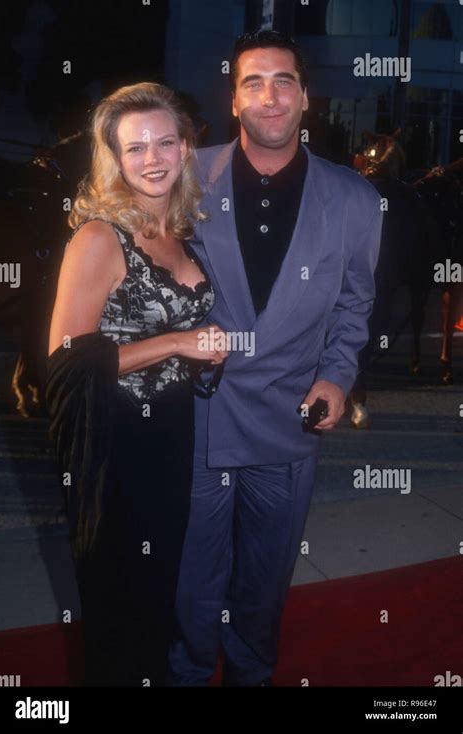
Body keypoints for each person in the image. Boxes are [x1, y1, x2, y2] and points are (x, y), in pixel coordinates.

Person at [168, 31, 383, 686]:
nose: (269, 95)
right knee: (189, 583)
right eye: (252, 82)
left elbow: (354, 306)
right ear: (233, 100)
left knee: (263, 583)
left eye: (283, 81)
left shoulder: (354, 199)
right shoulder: (182, 177)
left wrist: (337, 376)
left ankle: (252, 678)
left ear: (306, 99)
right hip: (198, 416)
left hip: (290, 422)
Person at [45, 82, 227, 686]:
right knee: (120, 603)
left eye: (165, 142)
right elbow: (66, 361)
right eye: (135, 148)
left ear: (185, 149)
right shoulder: (99, 237)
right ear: (116, 160)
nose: (153, 158)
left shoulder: (180, 229)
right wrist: (177, 343)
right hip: (116, 445)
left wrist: (202, 356)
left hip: (173, 436)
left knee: (160, 596)